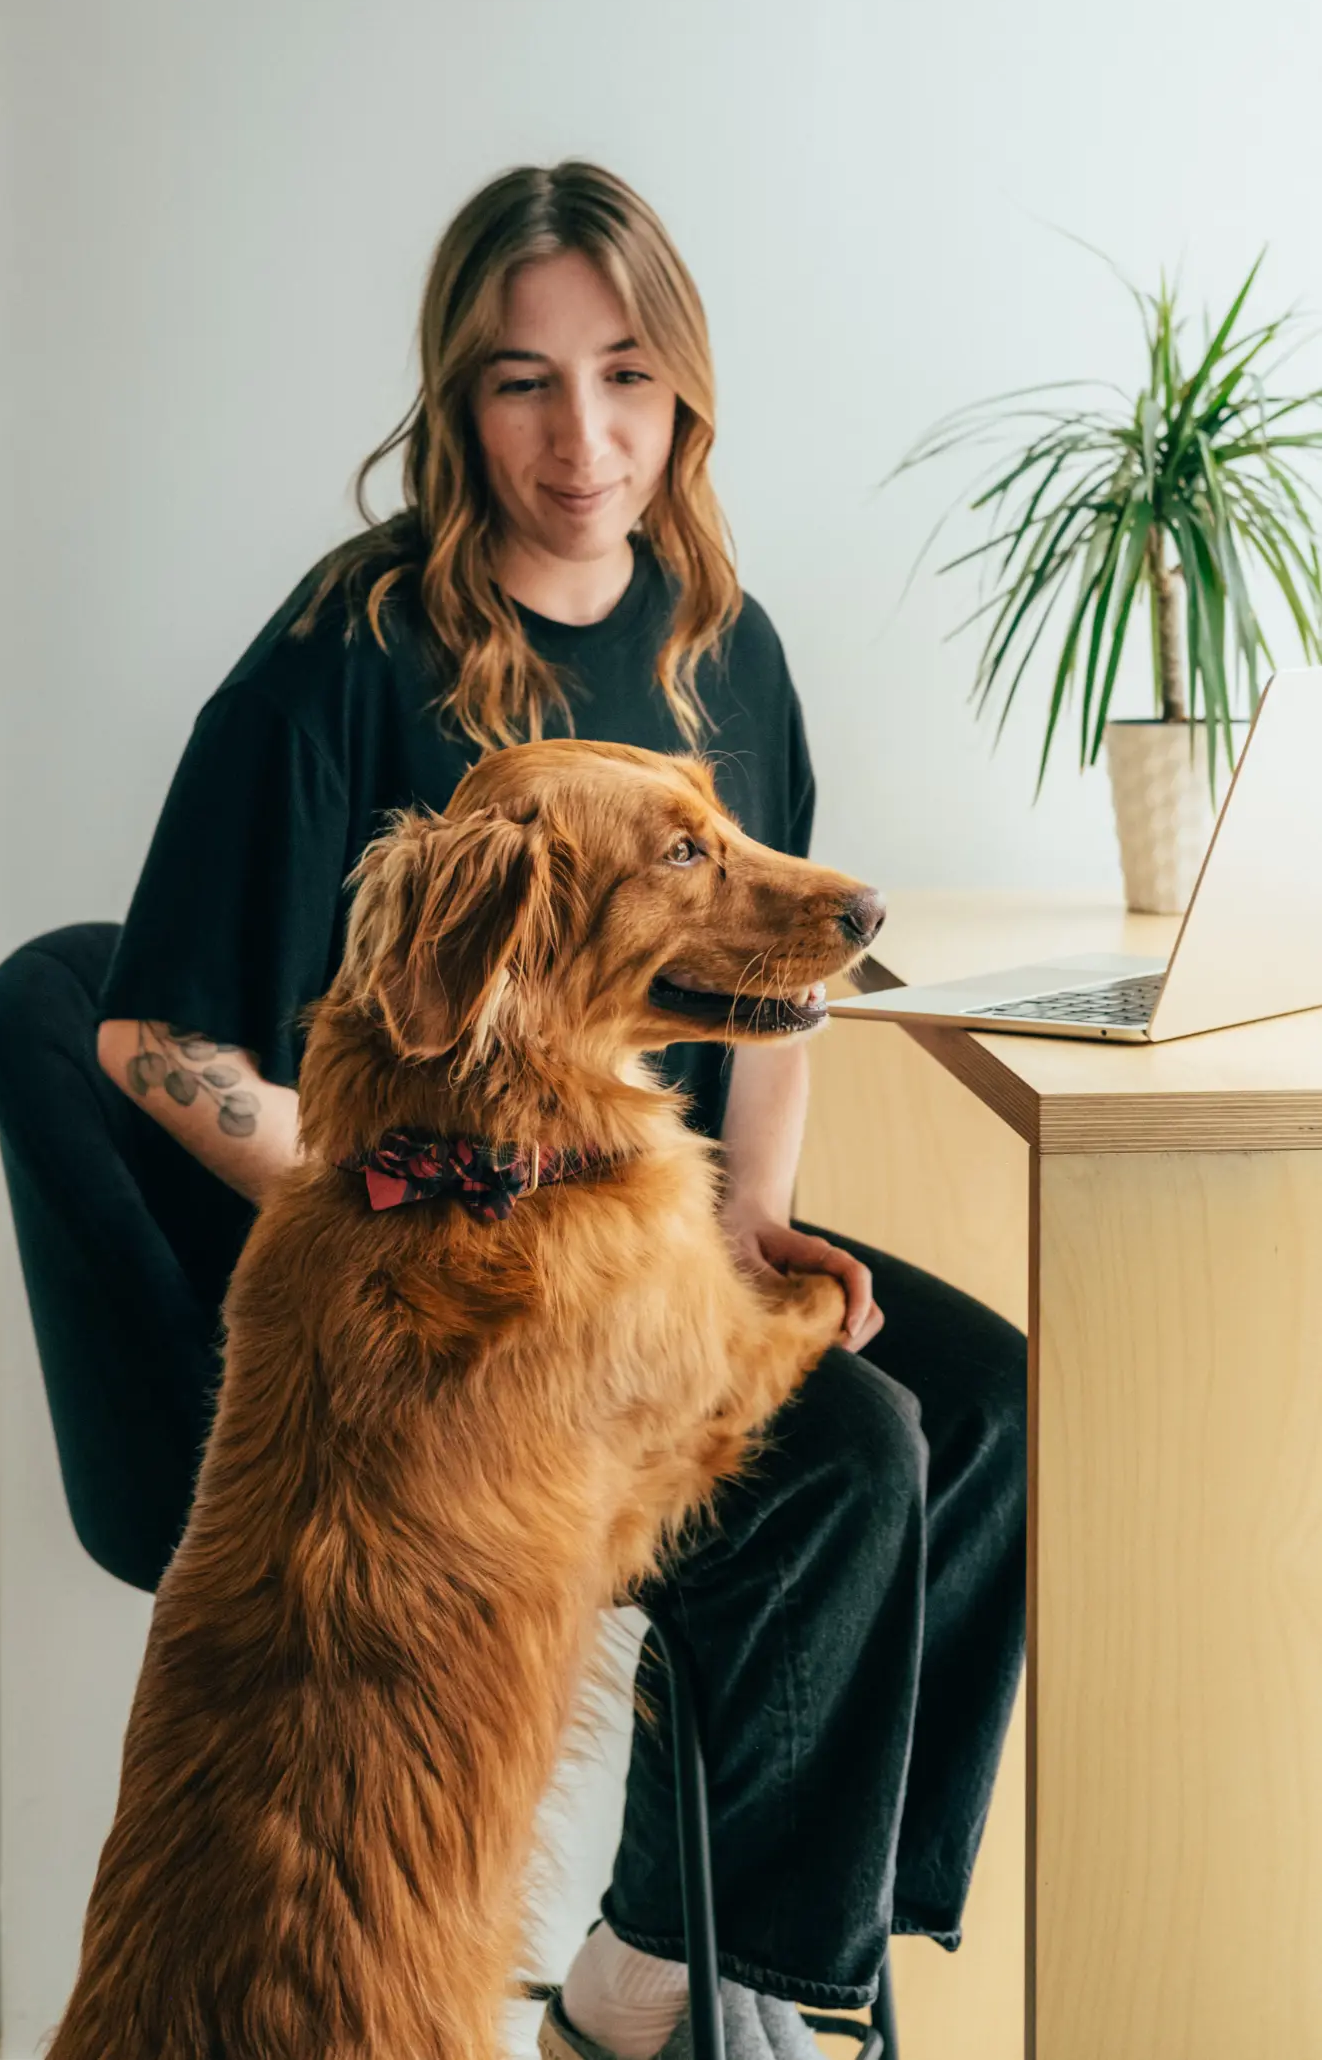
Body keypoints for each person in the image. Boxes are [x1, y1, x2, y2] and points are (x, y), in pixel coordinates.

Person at [96, 161, 1026, 2060]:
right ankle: (690, 1995)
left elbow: (782, 989)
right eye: (524, 381)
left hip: (643, 1237)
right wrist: (412, 1186)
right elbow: (146, 1033)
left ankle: (760, 1954)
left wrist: (753, 1216)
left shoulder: (718, 637)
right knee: (857, 1448)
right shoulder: (345, 650)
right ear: (458, 403)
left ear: (683, 388)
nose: (581, 435)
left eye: (623, 372)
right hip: (445, 1313)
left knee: (990, 1395)